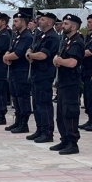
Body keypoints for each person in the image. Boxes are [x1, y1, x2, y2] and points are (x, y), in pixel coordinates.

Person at [50, 14, 85, 155]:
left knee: (69, 112)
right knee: (60, 114)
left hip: (71, 82)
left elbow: (72, 62)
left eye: (65, 23)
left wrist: (59, 61)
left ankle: (72, 142)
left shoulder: (77, 42)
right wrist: (57, 60)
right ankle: (64, 139)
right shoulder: (65, 40)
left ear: (74, 26)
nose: (62, 26)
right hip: (63, 82)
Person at [26, 12, 60, 143]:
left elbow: (42, 55)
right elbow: (31, 49)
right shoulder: (40, 35)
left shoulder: (52, 37)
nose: (39, 21)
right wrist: (30, 53)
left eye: (43, 19)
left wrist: (30, 55)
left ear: (50, 23)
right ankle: (40, 129)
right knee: (36, 103)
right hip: (36, 73)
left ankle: (47, 132)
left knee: (44, 104)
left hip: (45, 74)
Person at [4, 10, 33, 133]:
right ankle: (18, 121)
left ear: (23, 22)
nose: (13, 23)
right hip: (14, 69)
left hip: (22, 71)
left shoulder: (27, 36)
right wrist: (6, 55)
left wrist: (6, 57)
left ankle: (23, 124)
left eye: (16, 21)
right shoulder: (17, 35)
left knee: (22, 97)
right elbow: (10, 50)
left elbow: (18, 53)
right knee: (15, 96)